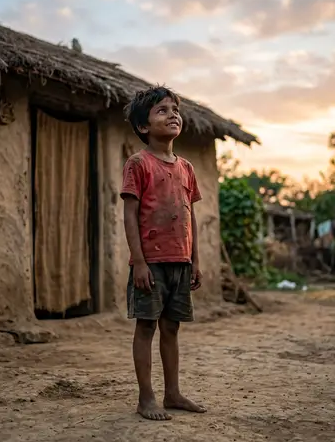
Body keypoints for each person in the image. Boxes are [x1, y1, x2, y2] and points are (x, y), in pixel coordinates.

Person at [120, 85, 207, 421]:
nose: (173, 115)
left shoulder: (186, 167)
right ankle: (146, 397)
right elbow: (130, 214)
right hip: (151, 263)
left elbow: (190, 214)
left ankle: (173, 393)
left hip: (180, 263)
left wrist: (195, 259)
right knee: (146, 327)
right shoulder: (138, 163)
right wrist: (138, 261)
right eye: (162, 110)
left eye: (175, 109)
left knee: (172, 329)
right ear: (144, 126)